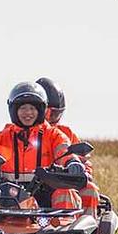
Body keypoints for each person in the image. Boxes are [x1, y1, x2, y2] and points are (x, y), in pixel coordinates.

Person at [0, 81, 86, 213]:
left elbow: (63, 150)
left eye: (32, 108)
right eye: (22, 108)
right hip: (7, 197)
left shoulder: (53, 135)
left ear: (41, 111)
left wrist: (72, 162)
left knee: (66, 192)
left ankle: (66, 232)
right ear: (14, 110)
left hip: (46, 200)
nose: (28, 113)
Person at [37, 76, 100, 215]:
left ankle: (83, 233)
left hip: (60, 183)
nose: (53, 118)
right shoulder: (19, 133)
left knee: (90, 189)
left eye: (57, 113)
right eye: (50, 113)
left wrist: (80, 172)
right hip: (29, 184)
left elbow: (84, 162)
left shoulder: (66, 133)